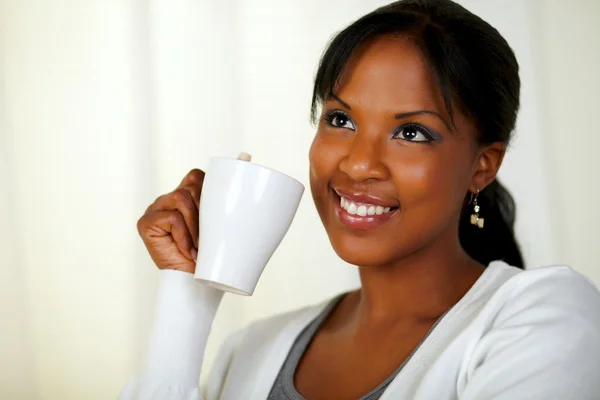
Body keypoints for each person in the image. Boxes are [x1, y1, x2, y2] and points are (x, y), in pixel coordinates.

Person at [120, 1, 600, 399]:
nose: (357, 164)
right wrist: (187, 294)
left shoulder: (544, 319)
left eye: (411, 132)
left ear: (483, 165)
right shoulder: (249, 351)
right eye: (341, 120)